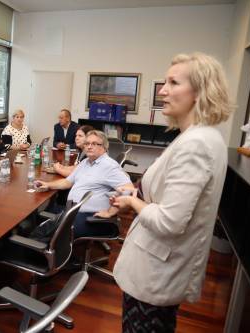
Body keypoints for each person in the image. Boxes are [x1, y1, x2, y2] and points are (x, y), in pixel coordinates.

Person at [111, 53, 232, 333]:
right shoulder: (197, 136)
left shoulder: (196, 144)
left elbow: (169, 222)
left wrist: (132, 200)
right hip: (157, 268)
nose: (162, 91)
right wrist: (136, 190)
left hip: (156, 273)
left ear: (201, 93)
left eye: (173, 83)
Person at [35, 130, 134, 238]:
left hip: (92, 218)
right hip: (73, 212)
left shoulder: (109, 166)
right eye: (87, 143)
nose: (89, 147)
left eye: (94, 144)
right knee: (39, 225)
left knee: (46, 234)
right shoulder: (85, 162)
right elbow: (67, 182)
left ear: (105, 147)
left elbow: (130, 191)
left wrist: (110, 212)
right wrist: (48, 184)